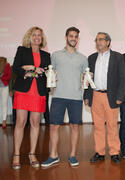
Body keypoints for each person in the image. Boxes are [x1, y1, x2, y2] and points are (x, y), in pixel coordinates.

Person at [41, 27, 88, 168]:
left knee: (74, 126)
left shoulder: (83, 59)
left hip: (75, 98)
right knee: (54, 126)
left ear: (78, 39)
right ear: (66, 37)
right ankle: (53, 155)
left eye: (75, 36)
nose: (73, 38)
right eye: (71, 36)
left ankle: (72, 155)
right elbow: (51, 74)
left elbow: (86, 79)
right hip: (58, 96)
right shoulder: (55, 55)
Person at [84, 32, 125, 163]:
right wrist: (87, 95)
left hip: (111, 96)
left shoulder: (117, 57)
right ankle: (99, 152)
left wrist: (120, 96)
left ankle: (114, 152)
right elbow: (87, 78)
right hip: (96, 95)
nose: (98, 42)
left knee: (112, 125)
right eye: (97, 40)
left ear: (108, 42)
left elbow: (123, 78)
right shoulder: (91, 58)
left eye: (101, 39)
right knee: (98, 126)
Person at [12, 26, 51, 169]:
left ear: (42, 38)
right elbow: (15, 67)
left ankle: (32, 154)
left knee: (35, 123)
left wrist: (51, 77)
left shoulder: (46, 55)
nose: (37, 37)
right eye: (34, 35)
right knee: (21, 122)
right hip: (23, 91)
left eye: (39, 35)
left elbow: (48, 73)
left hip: (38, 92)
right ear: (30, 37)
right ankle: (16, 155)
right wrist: (26, 71)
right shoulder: (22, 50)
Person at [0, 57, 11, 129]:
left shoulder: (7, 66)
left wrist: (1, 77)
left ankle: (4, 121)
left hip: (4, 87)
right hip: (4, 86)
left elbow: (9, 77)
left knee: (4, 104)